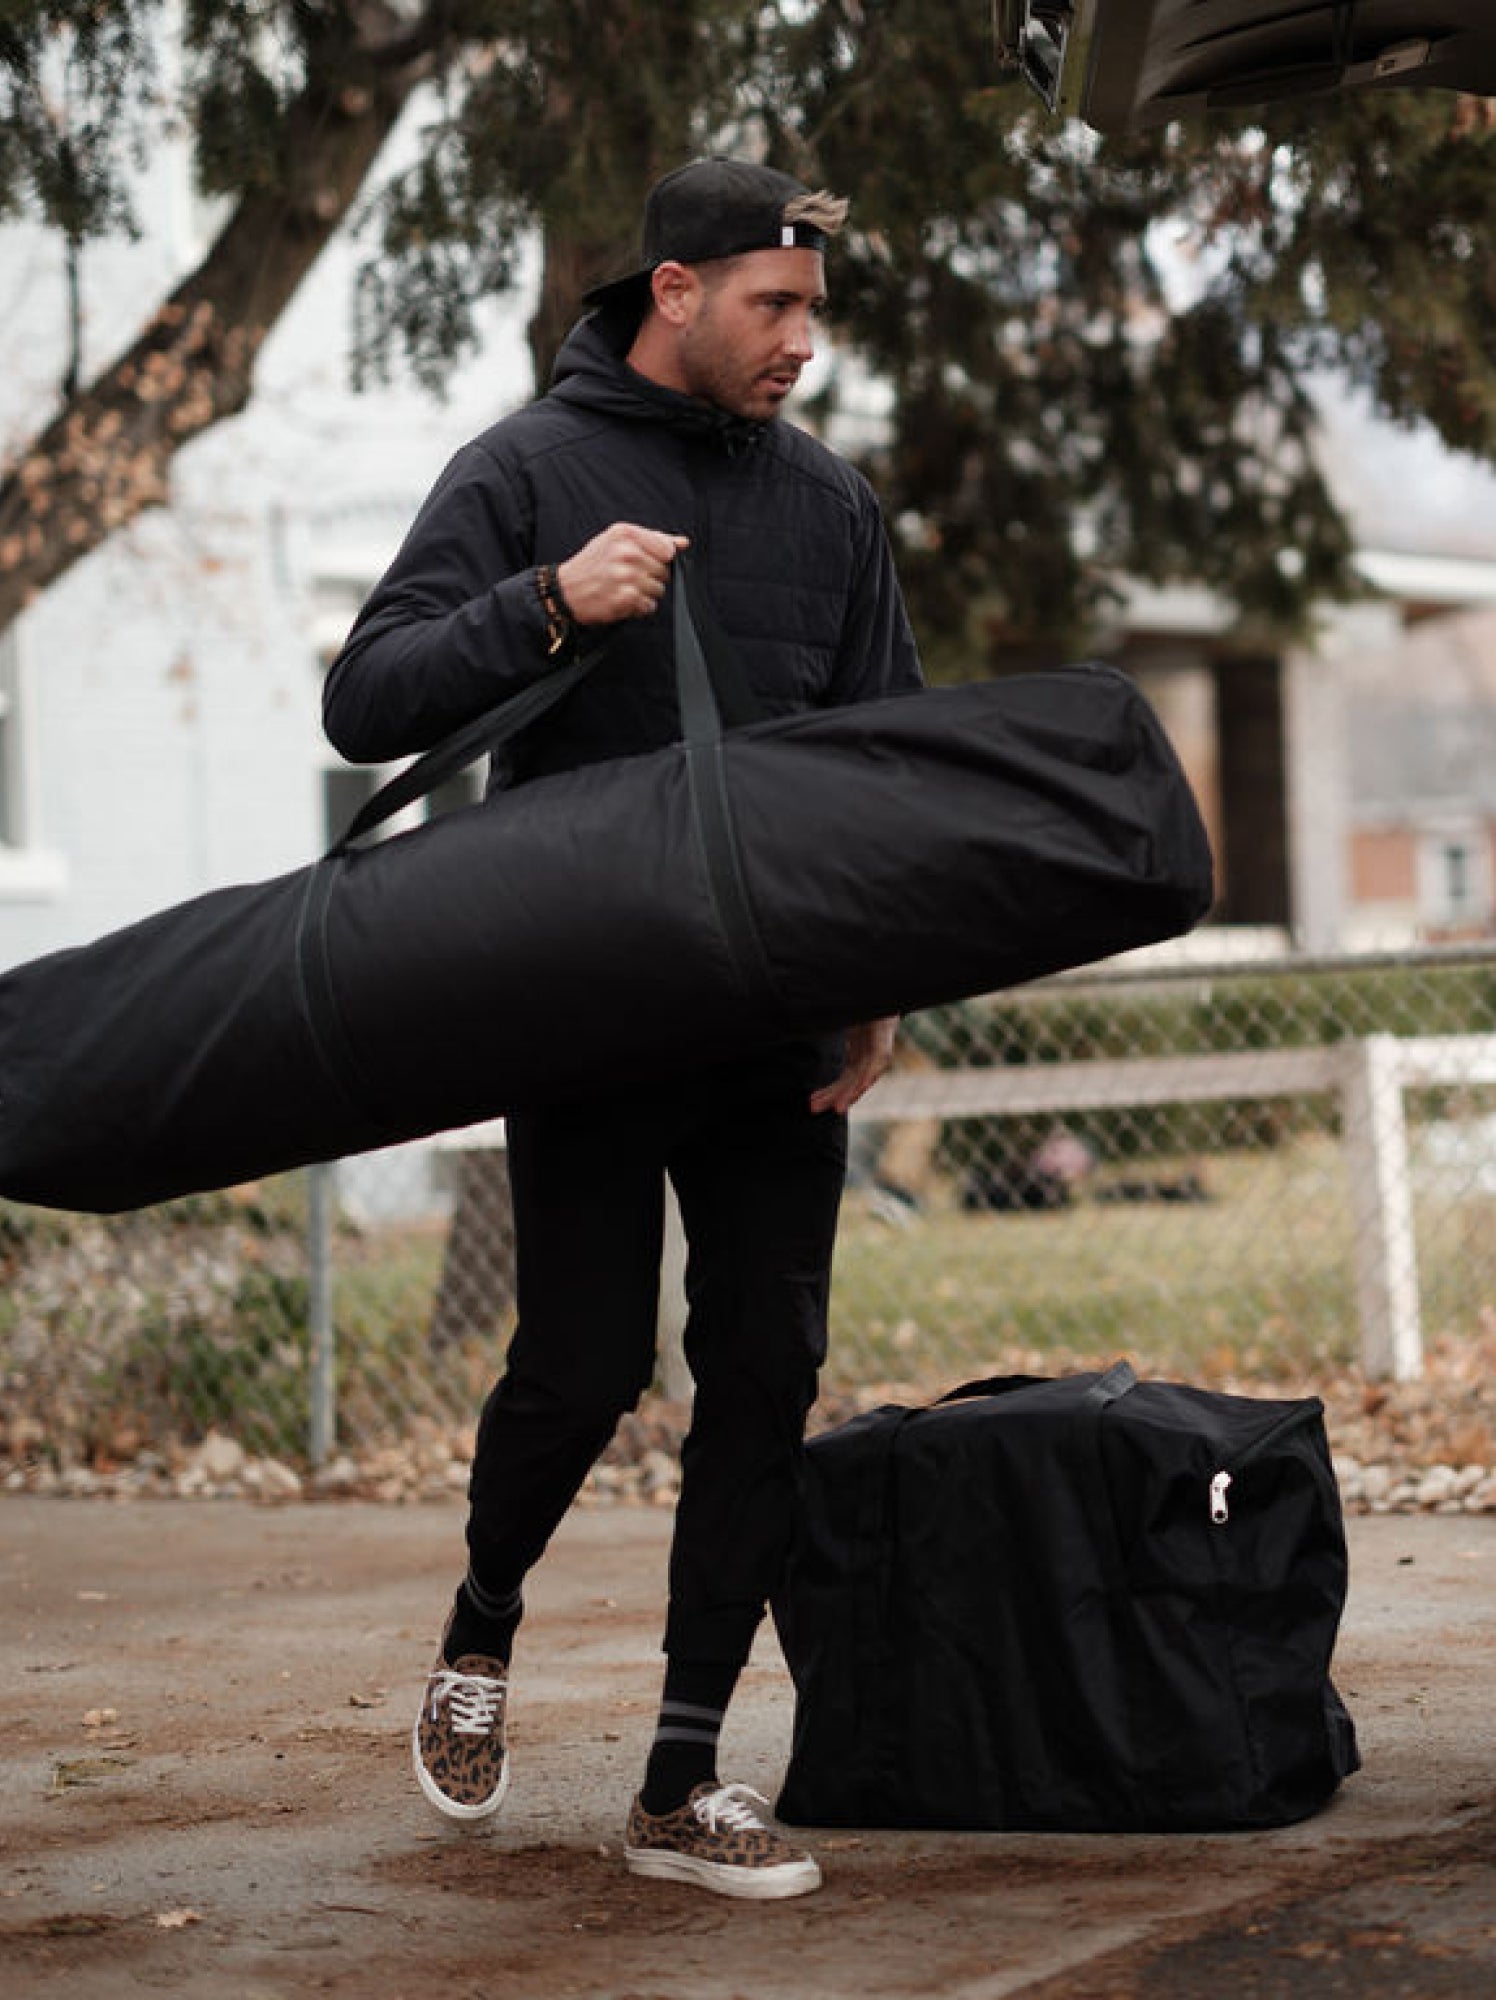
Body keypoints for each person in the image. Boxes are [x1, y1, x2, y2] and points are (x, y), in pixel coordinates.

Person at [322, 157, 922, 1901]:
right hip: (581, 1002)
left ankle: (682, 1776)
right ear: (673, 289)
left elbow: (881, 767)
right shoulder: (524, 474)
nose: (802, 341)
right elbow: (364, 699)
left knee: (765, 1368)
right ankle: (479, 1628)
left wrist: (877, 981)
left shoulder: (831, 511)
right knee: (581, 1367)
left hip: (776, 1024)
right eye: (772, 304)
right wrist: (544, 603)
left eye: (813, 308)